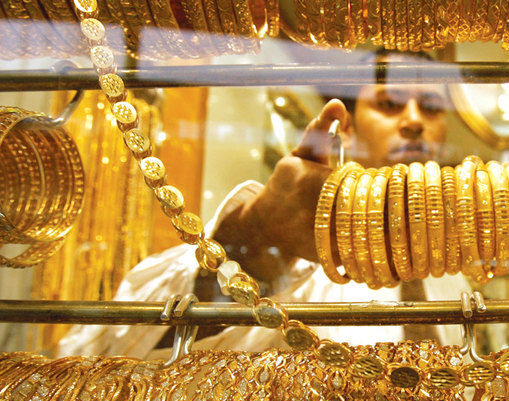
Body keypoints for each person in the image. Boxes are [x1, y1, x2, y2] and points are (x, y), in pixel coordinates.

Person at [56, 51, 469, 359]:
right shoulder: (293, 251)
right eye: (390, 104)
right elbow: (113, 353)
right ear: (350, 129)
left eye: (432, 107)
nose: (414, 120)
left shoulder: (454, 274)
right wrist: (257, 238)